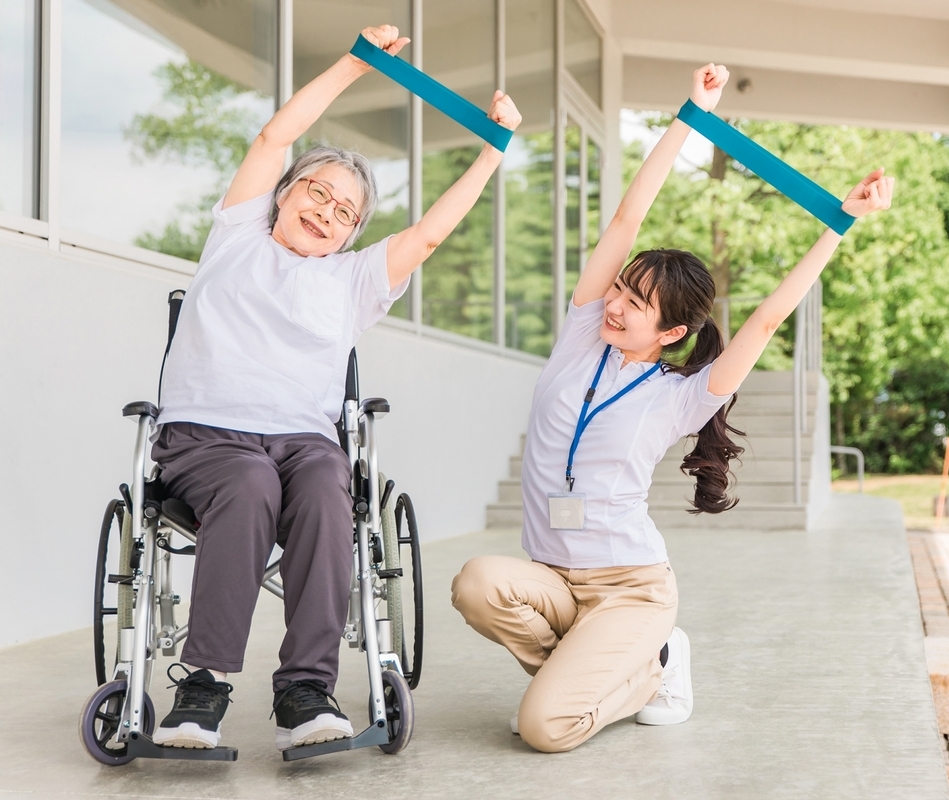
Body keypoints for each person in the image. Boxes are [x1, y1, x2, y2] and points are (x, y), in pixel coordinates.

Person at [450, 62, 893, 754]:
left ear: (673, 334)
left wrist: (840, 222)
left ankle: (652, 665)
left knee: (543, 729)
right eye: (621, 289)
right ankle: (598, 669)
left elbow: (770, 318)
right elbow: (629, 215)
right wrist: (690, 115)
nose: (617, 304)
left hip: (628, 589)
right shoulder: (580, 339)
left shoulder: (680, 397)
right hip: (552, 579)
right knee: (477, 582)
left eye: (637, 303)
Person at [148, 25, 521, 751]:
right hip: (206, 437)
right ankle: (203, 688)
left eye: (344, 210)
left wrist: (493, 150)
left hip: (305, 442)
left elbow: (431, 235)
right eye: (315, 191)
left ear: (352, 234)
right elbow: (272, 135)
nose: (324, 210)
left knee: (326, 485)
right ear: (283, 195)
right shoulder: (237, 236)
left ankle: (306, 691)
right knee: (250, 481)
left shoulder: (352, 282)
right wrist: (355, 64)